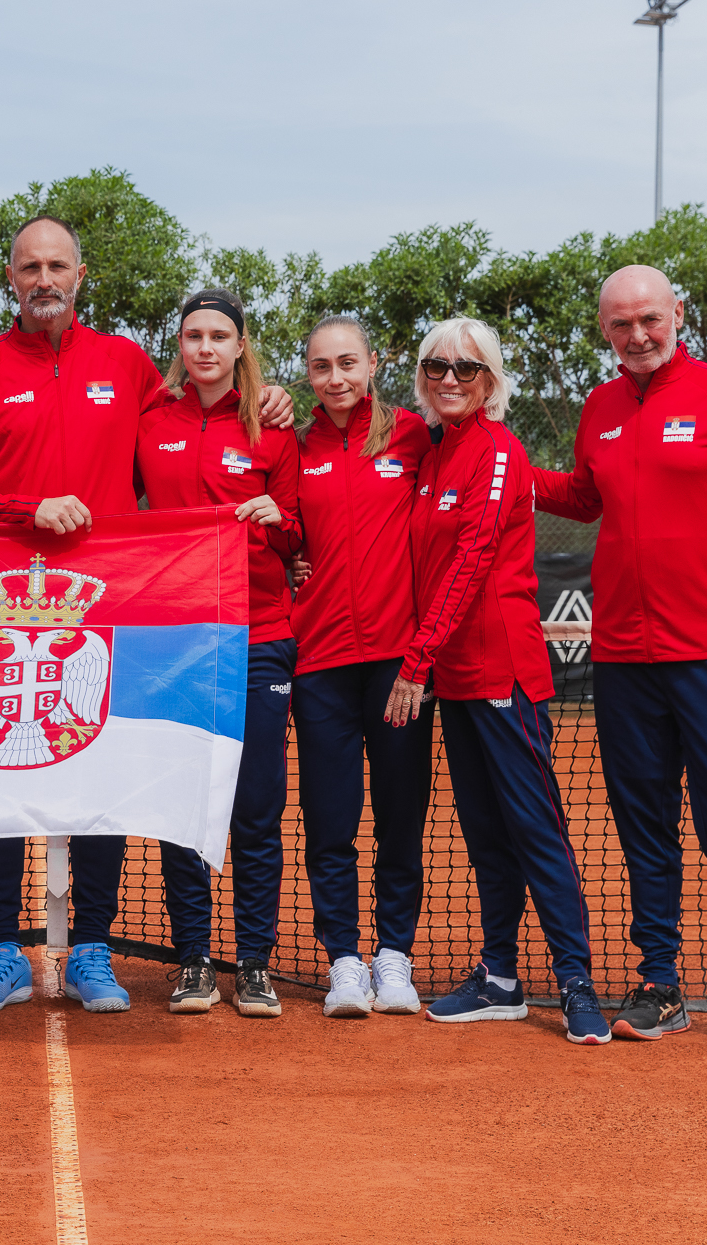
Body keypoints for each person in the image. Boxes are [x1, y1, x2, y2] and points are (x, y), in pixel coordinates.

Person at [0, 215, 292, 1014]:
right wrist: (26, 510)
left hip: (107, 607)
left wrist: (267, 395)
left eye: (57, 266)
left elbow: (201, 414)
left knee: (100, 767)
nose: (44, 279)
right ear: (11, 277)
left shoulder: (125, 364)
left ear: (80, 276)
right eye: (30, 267)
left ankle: (92, 947)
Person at [533, 265, 707, 1053]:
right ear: (605, 330)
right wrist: (508, 464)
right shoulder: (601, 407)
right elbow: (586, 496)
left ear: (677, 314)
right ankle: (659, 980)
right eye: (621, 324)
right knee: (644, 823)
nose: (638, 335)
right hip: (624, 657)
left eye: (650, 318)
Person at [387, 317, 611, 1046]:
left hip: (502, 675)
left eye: (467, 368)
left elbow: (474, 557)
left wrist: (415, 660)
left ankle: (576, 984)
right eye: (436, 366)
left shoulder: (497, 449)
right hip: (455, 681)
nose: (450, 379)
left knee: (536, 832)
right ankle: (501, 979)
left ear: (490, 380)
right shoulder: (432, 455)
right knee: (486, 835)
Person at [136, 289, 301, 1019]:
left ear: (240, 346)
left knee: (256, 808)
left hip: (259, 637)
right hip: (175, 641)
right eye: (193, 335)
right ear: (180, 346)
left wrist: (277, 519)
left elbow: (299, 536)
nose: (205, 347)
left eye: (219, 336)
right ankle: (193, 960)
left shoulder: (273, 428)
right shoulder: (150, 422)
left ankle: (254, 963)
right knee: (184, 806)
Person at [288, 315, 436, 1019]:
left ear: (373, 363)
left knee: (401, 816)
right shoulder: (294, 446)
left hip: (398, 666)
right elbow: (287, 533)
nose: (336, 377)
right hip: (319, 662)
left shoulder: (413, 436)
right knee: (330, 820)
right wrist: (291, 555)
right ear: (308, 374)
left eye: (348, 362)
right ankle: (344, 960)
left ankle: (394, 955)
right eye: (322, 366)